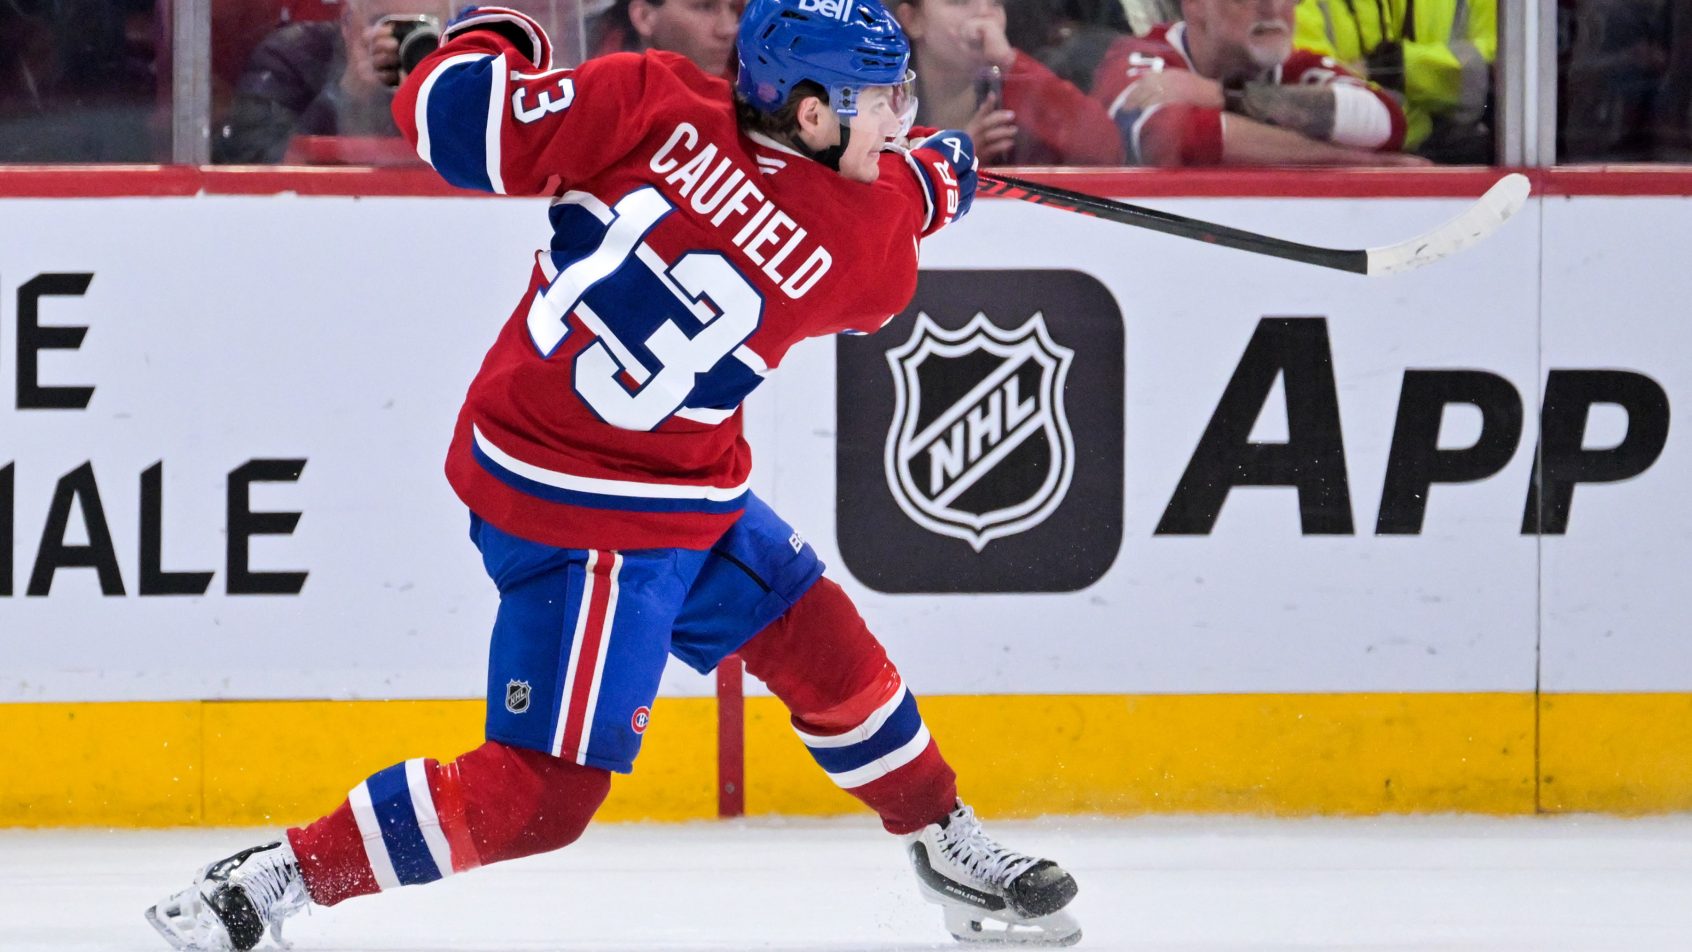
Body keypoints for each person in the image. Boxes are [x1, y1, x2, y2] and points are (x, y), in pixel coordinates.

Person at [144, 2, 1081, 950]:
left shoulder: (647, 94)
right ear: (807, 115)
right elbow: (875, 223)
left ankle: (940, 840)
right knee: (538, 798)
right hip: (584, 518)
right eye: (885, 99)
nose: (902, 119)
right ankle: (272, 881)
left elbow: (459, 126)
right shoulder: (860, 246)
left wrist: (488, 33)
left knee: (816, 637)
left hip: (648, 476)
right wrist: (935, 183)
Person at [1091, 0, 1425, 165]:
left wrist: (1222, 96)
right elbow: (1173, 137)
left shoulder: (1298, 65)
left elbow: (1384, 120)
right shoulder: (1140, 58)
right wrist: (1360, 163)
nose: (1274, 8)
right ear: (1194, 5)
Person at [212, 0, 445, 164]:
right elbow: (254, 167)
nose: (398, 42)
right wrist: (346, 94)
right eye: (383, 22)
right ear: (347, 22)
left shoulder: (473, 67)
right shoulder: (291, 59)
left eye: (423, 26)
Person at [895, 0, 1124, 164]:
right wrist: (955, 160)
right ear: (912, 19)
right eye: (959, 2)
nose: (984, 13)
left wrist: (1010, 62)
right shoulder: (881, 103)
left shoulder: (1021, 100)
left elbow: (1106, 150)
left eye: (996, 3)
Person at [1293, 0, 1495, 163]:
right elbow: (1312, 94)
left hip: (1466, 169)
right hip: (1343, 171)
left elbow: (1504, 69)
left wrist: (1392, 67)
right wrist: (1433, 106)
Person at [586, 0, 744, 77]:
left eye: (733, 8)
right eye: (705, 7)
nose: (729, 29)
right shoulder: (601, 101)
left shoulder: (748, 93)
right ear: (644, 17)